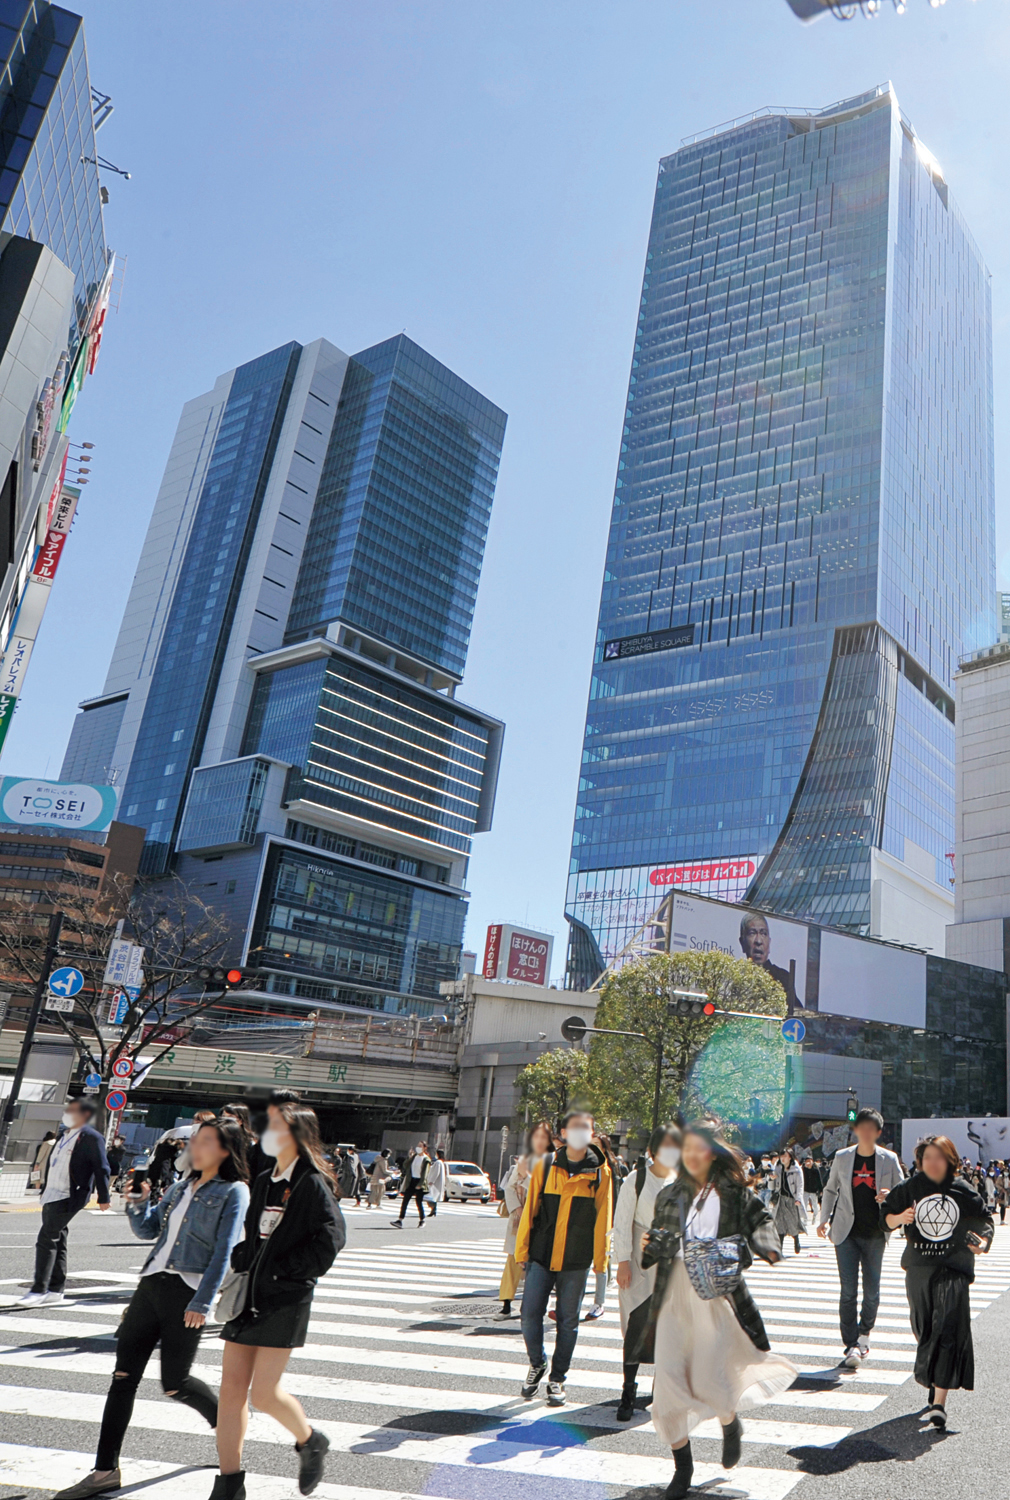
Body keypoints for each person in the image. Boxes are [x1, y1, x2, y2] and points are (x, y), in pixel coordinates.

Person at [52, 1121, 250, 1500]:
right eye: (196, 1140)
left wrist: (202, 1302)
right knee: (122, 1377)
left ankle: (223, 1420)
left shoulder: (233, 1191)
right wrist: (138, 1203)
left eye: (205, 1141)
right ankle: (104, 1471)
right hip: (150, 1287)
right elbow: (148, 1231)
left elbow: (225, 1250)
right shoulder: (179, 1187)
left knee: (175, 1384)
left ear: (225, 1150)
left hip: (186, 1292)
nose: (195, 1146)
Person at [634, 1120, 797, 1499]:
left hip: (717, 1299)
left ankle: (729, 1421)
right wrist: (651, 1244)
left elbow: (760, 1220)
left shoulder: (732, 1192)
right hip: (674, 1299)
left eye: (700, 1148)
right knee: (668, 1392)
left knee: (712, 1381)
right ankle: (683, 1469)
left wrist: (766, 1246)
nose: (692, 1155)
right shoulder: (670, 1194)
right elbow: (654, 1246)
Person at [213, 1096, 345, 1500]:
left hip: (285, 1298)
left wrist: (282, 1271)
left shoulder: (312, 1182)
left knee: (264, 1395)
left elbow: (329, 1242)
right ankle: (229, 1483)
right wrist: (244, 1256)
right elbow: (256, 1234)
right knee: (231, 1391)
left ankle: (310, 1441)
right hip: (251, 1292)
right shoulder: (264, 1177)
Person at [881, 1133, 993, 1428]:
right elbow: (884, 1217)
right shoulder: (910, 1187)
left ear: (950, 1160)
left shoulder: (962, 1190)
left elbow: (985, 1220)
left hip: (953, 1268)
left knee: (946, 1330)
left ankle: (939, 1402)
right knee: (925, 1328)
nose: (933, 1163)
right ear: (919, 1161)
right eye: (927, 1157)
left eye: (939, 1157)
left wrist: (982, 1242)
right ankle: (935, 1379)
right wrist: (899, 1218)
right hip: (919, 1267)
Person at [514, 1108, 613, 1407]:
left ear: (592, 1135)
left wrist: (600, 1262)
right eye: (575, 1127)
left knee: (568, 1322)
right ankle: (537, 1363)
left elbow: (603, 1218)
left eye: (587, 1128)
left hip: (576, 1258)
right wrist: (522, 1250)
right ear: (564, 1134)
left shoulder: (600, 1171)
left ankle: (557, 1379)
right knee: (530, 1314)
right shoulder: (546, 1165)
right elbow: (531, 1208)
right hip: (542, 1254)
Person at [817, 1106, 903, 1368]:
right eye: (860, 1128)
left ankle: (864, 1335)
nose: (864, 1133)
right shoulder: (843, 1157)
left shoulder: (889, 1159)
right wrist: (823, 1219)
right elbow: (831, 1189)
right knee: (847, 1291)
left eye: (870, 1129)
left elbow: (903, 1190)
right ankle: (851, 1343)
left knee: (872, 1291)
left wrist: (890, 1196)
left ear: (877, 1132)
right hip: (845, 1232)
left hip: (876, 1233)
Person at [612, 1124, 681, 1420]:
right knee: (636, 1325)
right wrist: (623, 1261)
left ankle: (661, 1390)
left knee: (669, 1329)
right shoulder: (636, 1180)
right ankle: (628, 1391)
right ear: (652, 1150)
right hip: (640, 1261)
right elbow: (622, 1221)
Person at [19, 1098, 110, 1306]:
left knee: (47, 1238)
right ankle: (56, 1289)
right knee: (58, 1239)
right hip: (51, 1193)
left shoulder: (91, 1137)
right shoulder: (63, 1135)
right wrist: (42, 1187)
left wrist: (104, 1196)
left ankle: (38, 1290)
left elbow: (101, 1167)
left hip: (71, 1195)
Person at [499, 1122, 552, 1317]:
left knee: (536, 1262)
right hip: (519, 1218)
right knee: (513, 1259)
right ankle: (506, 1302)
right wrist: (518, 1208)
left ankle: (532, 1305)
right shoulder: (524, 1159)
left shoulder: (550, 1162)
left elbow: (543, 1191)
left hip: (539, 1219)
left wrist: (526, 1176)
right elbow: (509, 1187)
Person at [585, 1132, 622, 1320]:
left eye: (597, 1144)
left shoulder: (611, 1167)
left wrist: (615, 1218)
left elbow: (615, 1194)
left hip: (607, 1216)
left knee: (601, 1257)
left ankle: (599, 1302)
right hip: (586, 1217)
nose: (593, 1148)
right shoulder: (585, 1165)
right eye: (591, 1144)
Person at [738, 913, 797, 1009]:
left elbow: (798, 1012)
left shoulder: (783, 978)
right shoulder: (736, 976)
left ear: (769, 942)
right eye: (752, 933)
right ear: (742, 943)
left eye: (763, 933)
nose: (758, 941)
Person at [221, 1103, 273, 1178]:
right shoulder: (217, 1139)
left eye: (230, 1117)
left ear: (241, 1120)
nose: (224, 1121)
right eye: (223, 1116)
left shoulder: (250, 1143)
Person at [772, 1149, 805, 1255]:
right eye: (781, 1156)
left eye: (785, 1156)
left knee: (792, 1223)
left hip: (792, 1199)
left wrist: (798, 1198)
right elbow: (771, 1186)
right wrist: (771, 1179)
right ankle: (779, 1249)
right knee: (779, 1224)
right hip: (780, 1199)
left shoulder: (796, 1169)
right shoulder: (777, 1168)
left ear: (790, 1157)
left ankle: (796, 1239)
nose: (782, 1158)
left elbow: (800, 1185)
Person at [392, 1141, 430, 1227]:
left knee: (418, 1202)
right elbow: (405, 1165)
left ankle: (422, 1220)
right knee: (405, 1200)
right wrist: (410, 1156)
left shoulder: (426, 1159)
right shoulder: (414, 1157)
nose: (418, 1147)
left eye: (420, 1146)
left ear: (425, 1148)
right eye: (418, 1146)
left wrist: (420, 1183)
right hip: (411, 1181)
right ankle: (400, 1220)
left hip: (420, 1182)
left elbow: (425, 1173)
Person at [425, 1147, 447, 1218]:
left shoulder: (438, 1162)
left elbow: (436, 1172)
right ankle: (433, 1210)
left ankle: (433, 1210)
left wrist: (431, 1181)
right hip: (438, 1183)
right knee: (434, 1198)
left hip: (435, 1183)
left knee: (431, 1198)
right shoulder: (441, 1162)